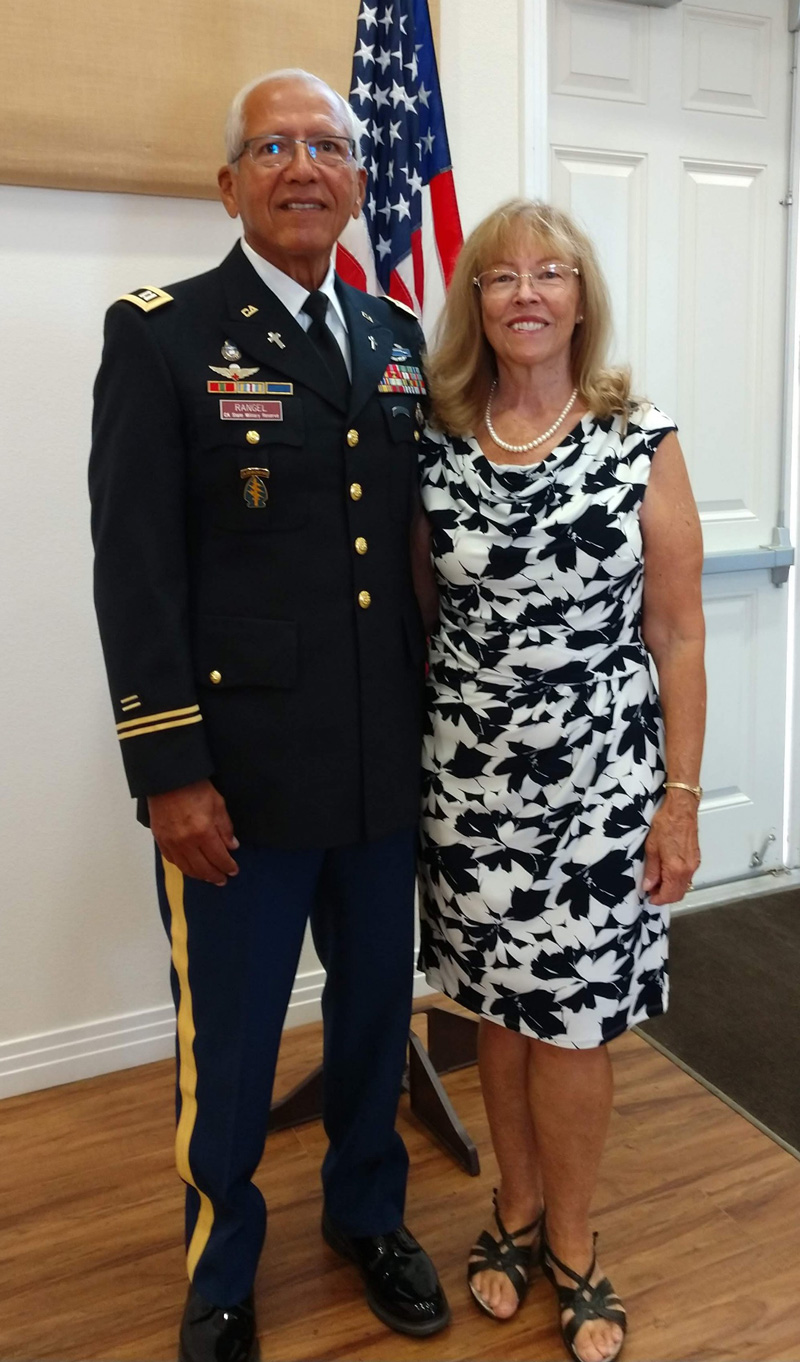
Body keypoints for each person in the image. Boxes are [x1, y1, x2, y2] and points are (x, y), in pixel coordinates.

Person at [89, 68, 449, 1362]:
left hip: (378, 773)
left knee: (369, 1020)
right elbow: (135, 572)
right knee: (233, 1043)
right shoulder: (163, 333)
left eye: (330, 147)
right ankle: (222, 1267)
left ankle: (368, 1212)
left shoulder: (403, 339)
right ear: (230, 182)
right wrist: (169, 769)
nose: (306, 166)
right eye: (275, 146)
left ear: (360, 179)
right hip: (237, 779)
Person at [414, 200, 705, 1362]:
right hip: (468, 783)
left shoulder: (639, 437)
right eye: (499, 277)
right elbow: (429, 619)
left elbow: (677, 635)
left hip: (601, 786)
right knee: (492, 1012)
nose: (524, 293)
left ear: (581, 298)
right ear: (473, 303)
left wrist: (678, 802)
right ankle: (512, 1213)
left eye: (550, 273)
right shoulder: (434, 437)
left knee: (573, 1028)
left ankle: (574, 1246)